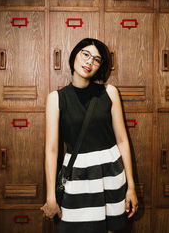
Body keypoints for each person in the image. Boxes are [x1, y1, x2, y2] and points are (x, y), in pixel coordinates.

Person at [41, 38, 138, 233]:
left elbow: (122, 141)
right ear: (74, 55)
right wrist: (51, 196)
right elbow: (52, 151)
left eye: (96, 59)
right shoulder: (56, 99)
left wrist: (131, 187)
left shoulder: (109, 92)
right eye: (85, 54)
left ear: (100, 66)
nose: (89, 62)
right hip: (77, 177)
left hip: (110, 175)